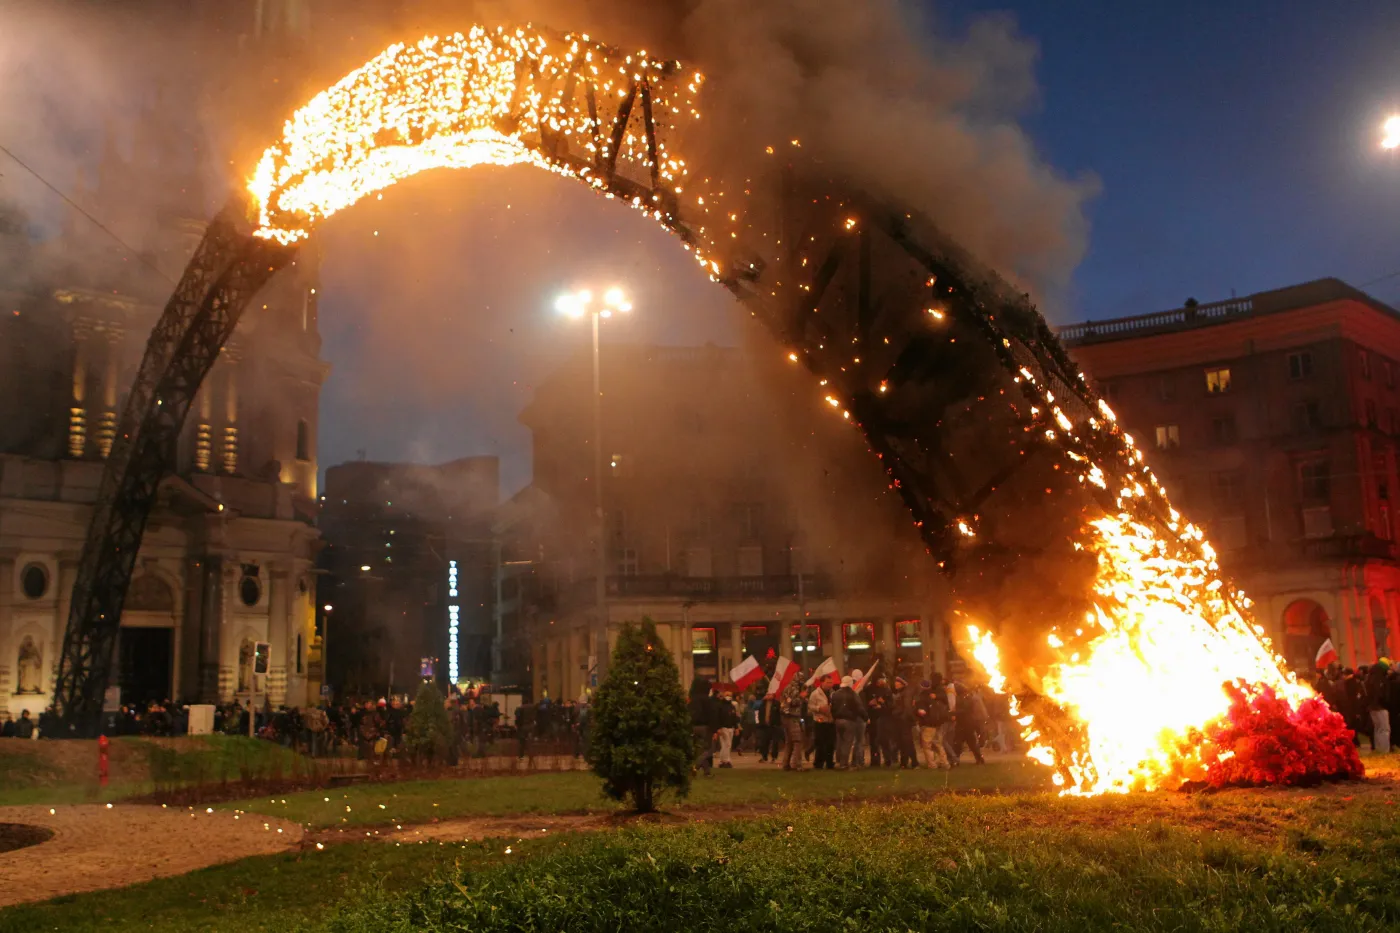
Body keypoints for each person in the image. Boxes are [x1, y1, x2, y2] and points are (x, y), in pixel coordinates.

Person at [948, 681, 986, 765]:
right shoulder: (965, 697)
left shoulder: (965, 698)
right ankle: (958, 760)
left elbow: (965, 710)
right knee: (960, 743)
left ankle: (978, 759)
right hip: (964, 723)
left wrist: (954, 713)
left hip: (966, 723)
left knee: (964, 743)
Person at [914, 680, 950, 769]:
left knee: (927, 745)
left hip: (928, 724)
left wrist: (915, 710)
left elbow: (922, 712)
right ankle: (944, 762)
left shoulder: (922, 697)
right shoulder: (933, 696)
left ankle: (932, 764)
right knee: (938, 743)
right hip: (937, 723)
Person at [831, 675, 865, 769]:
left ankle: (838, 761)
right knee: (847, 742)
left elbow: (832, 707)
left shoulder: (835, 694)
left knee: (839, 741)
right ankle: (844, 764)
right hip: (849, 720)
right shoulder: (853, 694)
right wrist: (866, 718)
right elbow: (859, 708)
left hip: (838, 720)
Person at [865, 672, 894, 767]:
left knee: (884, 740)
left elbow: (891, 705)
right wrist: (869, 704)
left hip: (884, 718)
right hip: (872, 718)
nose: (882, 681)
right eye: (880, 679)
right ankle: (875, 761)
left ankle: (888, 760)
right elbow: (863, 703)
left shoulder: (887, 690)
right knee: (873, 741)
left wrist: (882, 704)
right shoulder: (868, 689)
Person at [689, 676, 717, 776]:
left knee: (699, 749)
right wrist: (714, 730)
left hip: (693, 726)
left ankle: (707, 771)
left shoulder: (692, 699)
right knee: (708, 750)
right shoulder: (707, 700)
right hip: (705, 727)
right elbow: (712, 715)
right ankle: (695, 766)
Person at [778, 681, 807, 771]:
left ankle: (786, 764)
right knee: (797, 741)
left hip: (785, 717)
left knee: (789, 742)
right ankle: (796, 764)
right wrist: (802, 697)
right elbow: (792, 702)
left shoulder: (787, 688)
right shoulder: (794, 690)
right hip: (792, 717)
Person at [808, 677, 835, 769]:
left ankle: (829, 763)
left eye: (831, 682)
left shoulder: (833, 693)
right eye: (828, 682)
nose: (830, 684)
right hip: (820, 721)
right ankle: (818, 764)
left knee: (830, 744)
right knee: (820, 743)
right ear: (822, 683)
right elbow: (810, 706)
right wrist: (819, 708)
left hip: (830, 721)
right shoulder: (815, 694)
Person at [715, 688, 739, 768]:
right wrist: (718, 728)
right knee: (727, 744)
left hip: (730, 728)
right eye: (727, 695)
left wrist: (736, 728)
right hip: (723, 727)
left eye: (730, 695)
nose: (728, 697)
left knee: (726, 745)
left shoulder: (732, 706)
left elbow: (734, 718)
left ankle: (723, 760)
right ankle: (726, 760)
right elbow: (718, 717)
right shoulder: (720, 705)